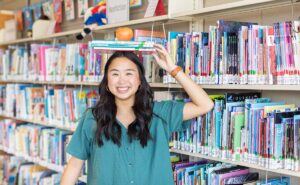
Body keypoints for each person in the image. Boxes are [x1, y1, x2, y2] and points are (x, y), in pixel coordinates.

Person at [60, 44, 214, 185]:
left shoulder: (161, 114)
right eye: (115, 74)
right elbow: (74, 165)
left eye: (129, 73)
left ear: (140, 80)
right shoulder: (92, 118)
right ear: (106, 82)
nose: (122, 81)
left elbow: (205, 104)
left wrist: (172, 69)